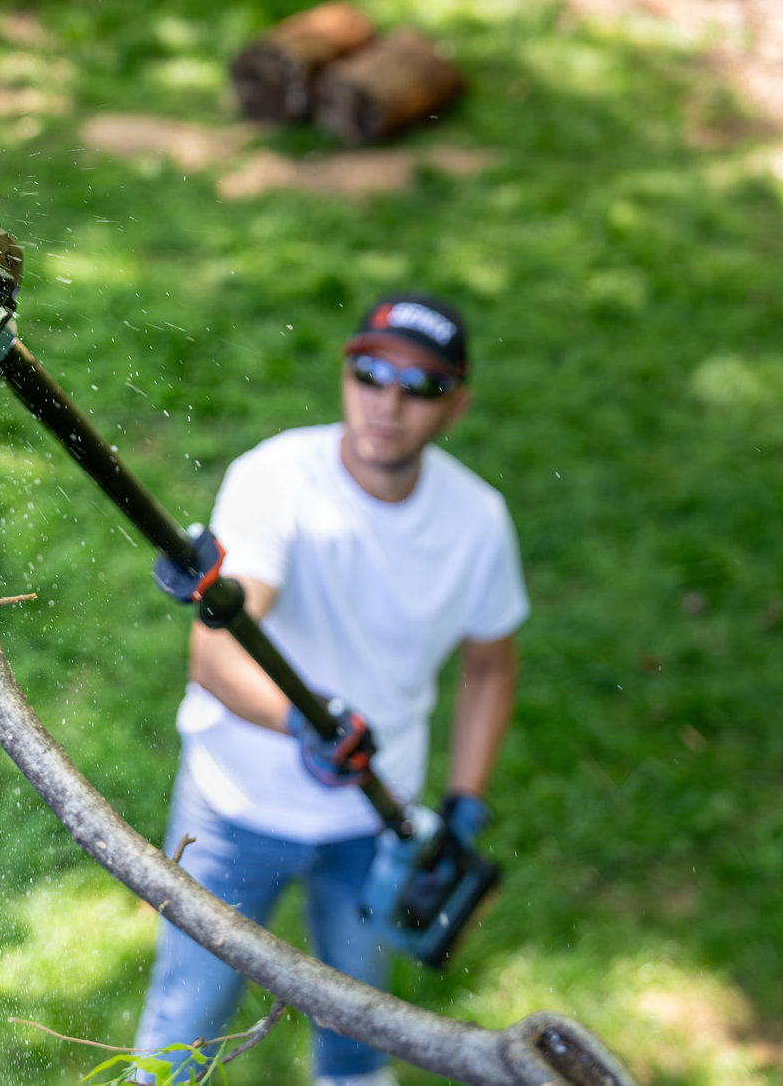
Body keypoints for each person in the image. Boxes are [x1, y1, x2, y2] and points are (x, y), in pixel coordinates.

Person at [132, 293, 527, 1086]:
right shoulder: (278, 478)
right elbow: (214, 655)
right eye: (371, 372)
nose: (389, 401)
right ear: (346, 374)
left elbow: (490, 663)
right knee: (185, 1025)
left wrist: (466, 802)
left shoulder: (478, 520)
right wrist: (300, 722)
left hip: (378, 822)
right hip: (237, 807)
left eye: (420, 385)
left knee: (357, 1031)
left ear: (457, 404)